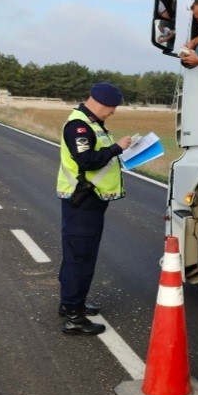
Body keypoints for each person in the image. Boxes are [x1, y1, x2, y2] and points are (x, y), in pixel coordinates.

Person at [55, 82, 132, 335]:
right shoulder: (79, 126)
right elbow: (87, 161)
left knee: (77, 254)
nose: (113, 112)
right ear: (101, 103)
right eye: (112, 108)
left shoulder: (91, 123)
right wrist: (116, 148)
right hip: (83, 201)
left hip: (90, 200)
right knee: (80, 257)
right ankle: (74, 318)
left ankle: (70, 304)